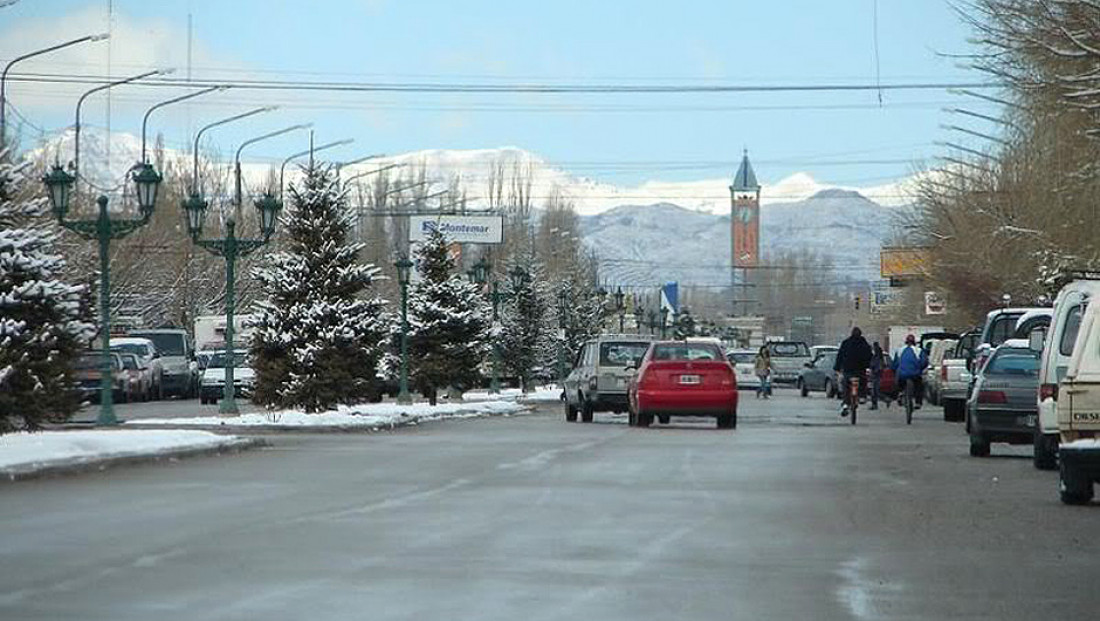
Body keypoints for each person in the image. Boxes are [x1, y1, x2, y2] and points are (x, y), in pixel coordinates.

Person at [833, 327, 873, 416]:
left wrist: (837, 367)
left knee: (846, 387)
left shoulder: (846, 343)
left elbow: (840, 356)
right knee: (863, 382)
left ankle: (846, 403)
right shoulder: (864, 344)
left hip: (848, 370)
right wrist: (869, 366)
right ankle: (862, 396)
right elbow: (870, 356)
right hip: (860, 370)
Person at [892, 334, 929, 409]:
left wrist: (896, 370)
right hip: (915, 374)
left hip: (902, 374)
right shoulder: (919, 350)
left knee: (899, 381)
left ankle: (900, 392)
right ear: (914, 342)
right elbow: (924, 362)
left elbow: (895, 364)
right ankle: (918, 402)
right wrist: (919, 369)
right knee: (919, 386)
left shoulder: (900, 350)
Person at [869, 341, 887, 410]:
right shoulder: (879, 355)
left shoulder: (876, 355)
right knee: (875, 391)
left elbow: (875, 364)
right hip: (877, 373)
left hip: (876, 374)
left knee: (875, 391)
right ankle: (882, 401)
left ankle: (877, 403)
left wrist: (873, 369)